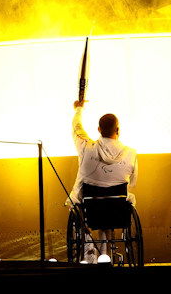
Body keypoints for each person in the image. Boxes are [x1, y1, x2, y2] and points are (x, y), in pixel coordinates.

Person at [69, 99, 138, 263]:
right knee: (118, 201)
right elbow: (133, 182)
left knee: (82, 203)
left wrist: (78, 110)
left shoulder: (86, 147)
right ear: (118, 130)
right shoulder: (131, 154)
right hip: (117, 211)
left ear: (99, 129)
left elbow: (76, 128)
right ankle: (107, 253)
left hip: (91, 210)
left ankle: (90, 255)